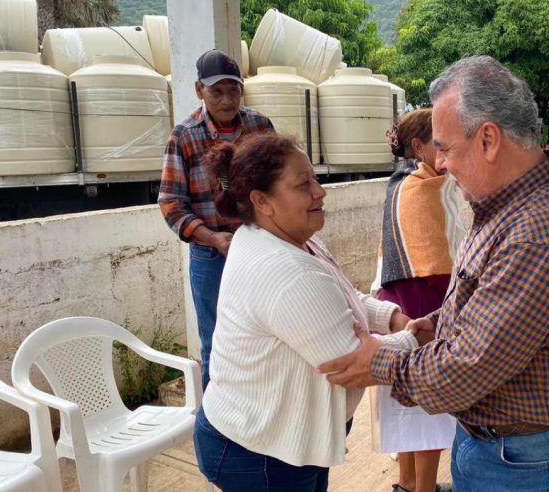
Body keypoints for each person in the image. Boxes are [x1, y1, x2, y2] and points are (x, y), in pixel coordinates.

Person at [317, 56, 549, 492]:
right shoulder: (507, 202)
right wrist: (434, 325)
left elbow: (468, 368)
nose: (440, 164)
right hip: (511, 445)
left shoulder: (538, 230)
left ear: (488, 139)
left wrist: (377, 363)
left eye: (447, 148)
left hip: (530, 456)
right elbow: (485, 299)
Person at [194, 133, 421, 491]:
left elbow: (342, 297)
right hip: (261, 451)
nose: (320, 191)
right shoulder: (284, 268)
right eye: (303, 184)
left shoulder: (291, 240)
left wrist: (391, 317)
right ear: (261, 200)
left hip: (278, 437)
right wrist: (416, 337)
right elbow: (351, 364)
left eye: (314, 178)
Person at [158, 49, 274, 389]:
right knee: (216, 342)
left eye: (233, 90)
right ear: (199, 91)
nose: (226, 99)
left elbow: (276, 184)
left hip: (260, 248)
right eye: (216, 91)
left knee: (264, 336)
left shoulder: (260, 126)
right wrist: (214, 238)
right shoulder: (184, 136)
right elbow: (170, 203)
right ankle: (217, 429)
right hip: (211, 255)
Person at [375, 109, 462, 492]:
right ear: (417, 146)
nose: (445, 152)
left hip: (399, 301)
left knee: (407, 399)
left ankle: (408, 484)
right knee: (430, 400)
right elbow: (433, 259)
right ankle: (423, 488)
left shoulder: (403, 182)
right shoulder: (420, 187)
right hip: (421, 301)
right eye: (439, 143)